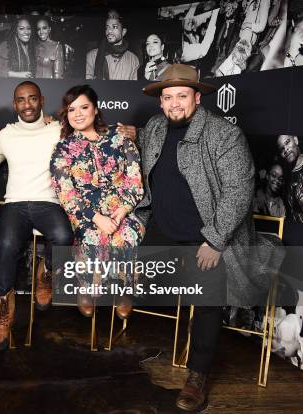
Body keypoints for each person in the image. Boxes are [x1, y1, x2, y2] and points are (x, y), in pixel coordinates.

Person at [134, 64, 256, 411]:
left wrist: (216, 240)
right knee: (120, 265)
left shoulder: (223, 135)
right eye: (168, 97)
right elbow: (136, 151)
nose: (174, 104)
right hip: (161, 230)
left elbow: (239, 189)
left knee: (206, 297)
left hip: (203, 236)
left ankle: (197, 376)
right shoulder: (155, 128)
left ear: (197, 98)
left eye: (182, 96)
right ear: (161, 102)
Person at [0, 81, 74, 351]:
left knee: (63, 236)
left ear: (42, 100)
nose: (27, 104)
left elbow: (90, 134)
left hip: (48, 202)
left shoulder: (57, 129)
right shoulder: (5, 135)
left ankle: (45, 273)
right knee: (4, 246)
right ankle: (3, 312)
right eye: (21, 100)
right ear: (15, 105)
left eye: (32, 99)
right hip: (14, 204)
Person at [50, 85, 144, 317]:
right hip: (84, 212)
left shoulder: (119, 138)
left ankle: (124, 289)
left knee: (127, 233)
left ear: (96, 109)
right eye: (72, 109)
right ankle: (87, 288)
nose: (78, 114)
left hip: (121, 207)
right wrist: (96, 218)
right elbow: (66, 193)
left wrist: (121, 212)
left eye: (84, 107)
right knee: (93, 235)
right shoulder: (63, 149)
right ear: (66, 114)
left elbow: (134, 180)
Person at [85, 14, 139, 80]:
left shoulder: (133, 59)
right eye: (107, 27)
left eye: (114, 27)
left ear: (123, 32)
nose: (109, 31)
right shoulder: (92, 56)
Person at [277, 135, 303, 224]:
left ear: (295, 140)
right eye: (282, 149)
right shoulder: (286, 175)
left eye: (287, 142)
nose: (286, 149)